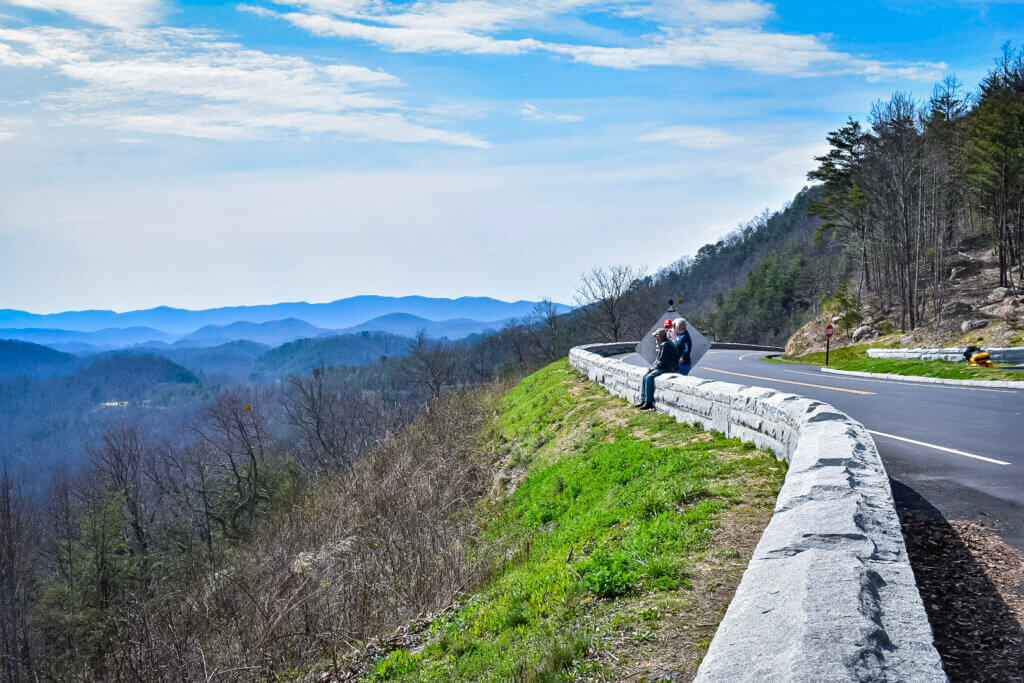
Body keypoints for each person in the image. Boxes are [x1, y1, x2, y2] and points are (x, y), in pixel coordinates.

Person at [636, 328, 679, 410]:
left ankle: (649, 402)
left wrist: (652, 370)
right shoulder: (664, 343)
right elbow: (658, 359)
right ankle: (643, 399)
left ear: (659, 336)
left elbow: (661, 361)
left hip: (669, 368)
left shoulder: (666, 345)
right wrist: (651, 368)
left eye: (656, 336)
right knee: (645, 376)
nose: (655, 338)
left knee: (649, 377)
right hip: (664, 366)